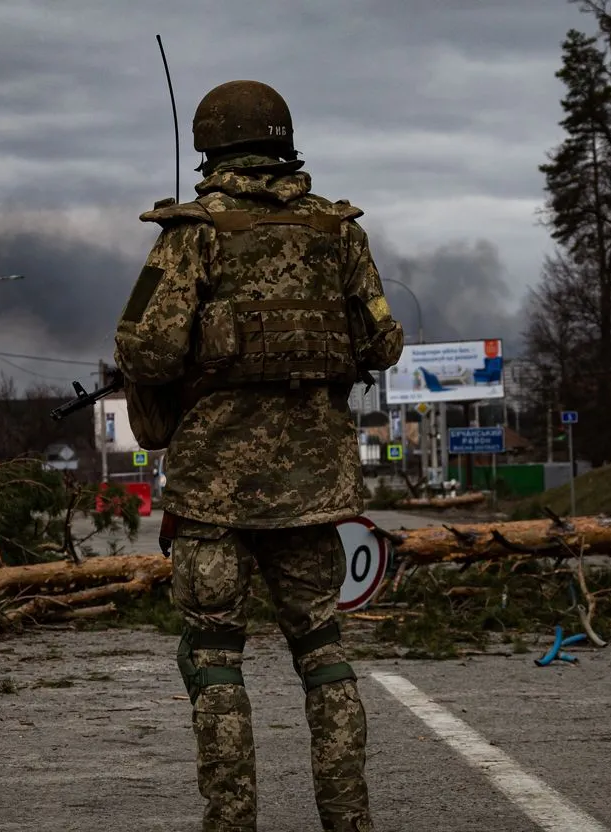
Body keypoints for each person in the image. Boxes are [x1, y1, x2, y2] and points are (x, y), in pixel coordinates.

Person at [112, 79, 405, 832]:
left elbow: (146, 346)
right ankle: (349, 821)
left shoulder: (193, 232)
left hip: (213, 489)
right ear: (284, 141)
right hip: (315, 488)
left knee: (213, 657)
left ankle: (231, 823)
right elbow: (383, 341)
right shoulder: (339, 233)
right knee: (324, 653)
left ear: (211, 145)